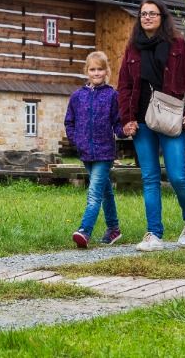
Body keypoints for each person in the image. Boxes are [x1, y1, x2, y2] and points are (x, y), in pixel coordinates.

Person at [118, 0, 185, 251]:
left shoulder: (177, 45)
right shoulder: (132, 48)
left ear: (162, 17)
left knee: (177, 176)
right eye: (143, 14)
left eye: (152, 13)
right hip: (142, 120)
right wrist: (126, 119)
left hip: (171, 118)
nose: (147, 17)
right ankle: (154, 233)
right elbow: (124, 86)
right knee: (150, 177)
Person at [65, 51, 124, 248]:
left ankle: (84, 231)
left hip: (105, 152)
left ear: (106, 71)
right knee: (105, 191)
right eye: (93, 69)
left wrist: (125, 130)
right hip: (86, 153)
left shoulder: (112, 96)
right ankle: (114, 229)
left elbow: (117, 123)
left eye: (100, 69)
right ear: (86, 71)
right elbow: (69, 121)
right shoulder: (77, 97)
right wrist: (76, 141)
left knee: (94, 192)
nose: (96, 73)